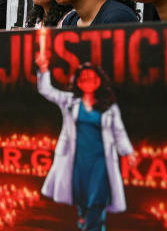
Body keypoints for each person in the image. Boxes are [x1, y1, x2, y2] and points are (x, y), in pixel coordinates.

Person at [35, 58, 136, 231]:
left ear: (99, 81)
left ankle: (93, 227)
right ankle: (85, 220)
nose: (87, 81)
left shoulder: (109, 106)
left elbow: (118, 131)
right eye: (83, 78)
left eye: (92, 78)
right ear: (78, 82)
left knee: (97, 200)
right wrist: (44, 70)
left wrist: (127, 151)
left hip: (100, 161)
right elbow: (47, 90)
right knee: (81, 197)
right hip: (76, 160)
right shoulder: (69, 100)